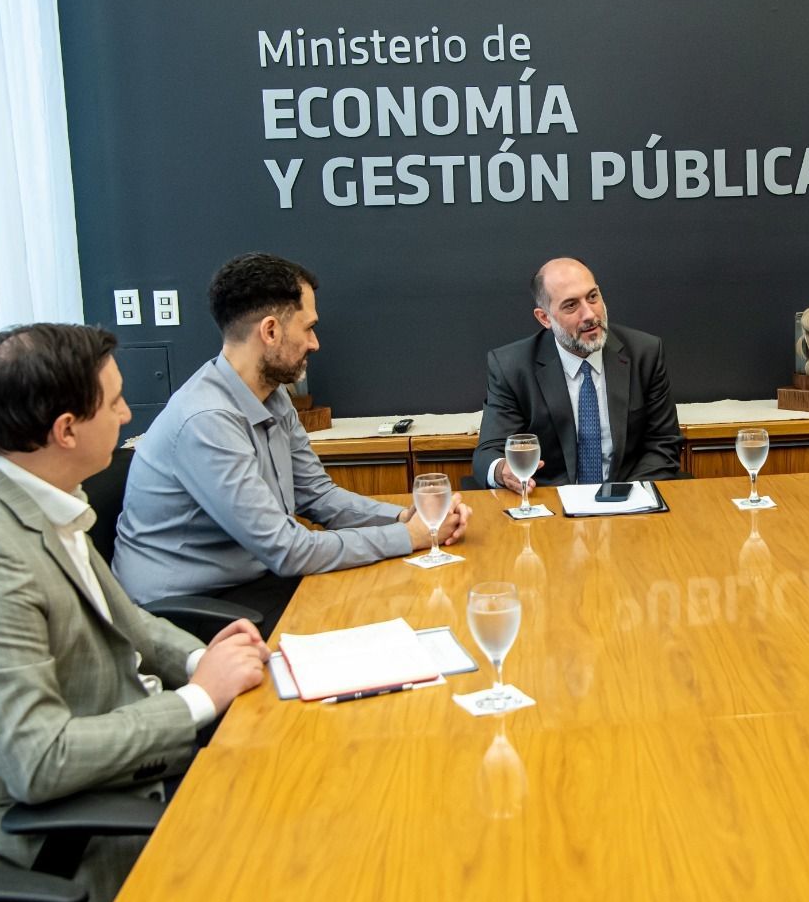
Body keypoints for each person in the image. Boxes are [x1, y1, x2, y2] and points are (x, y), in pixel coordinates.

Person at [0, 324, 269, 902]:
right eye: (115, 401)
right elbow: (40, 761)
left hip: (131, 762)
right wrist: (201, 698)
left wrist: (203, 661)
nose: (126, 413)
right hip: (72, 825)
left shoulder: (36, 491)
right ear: (66, 430)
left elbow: (133, 624)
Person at [113, 254, 470, 632]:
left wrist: (404, 518)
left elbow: (317, 496)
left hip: (254, 579)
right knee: (372, 619)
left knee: (393, 600)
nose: (315, 343)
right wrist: (408, 537)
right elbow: (287, 550)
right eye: (309, 328)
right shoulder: (207, 420)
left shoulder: (271, 394)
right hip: (189, 610)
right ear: (270, 331)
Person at [472, 257, 682, 490]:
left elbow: (663, 445)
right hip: (551, 507)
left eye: (593, 297)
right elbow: (487, 454)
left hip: (627, 502)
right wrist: (502, 470)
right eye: (571, 305)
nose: (590, 314)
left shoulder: (645, 353)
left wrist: (623, 499)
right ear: (544, 318)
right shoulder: (512, 367)